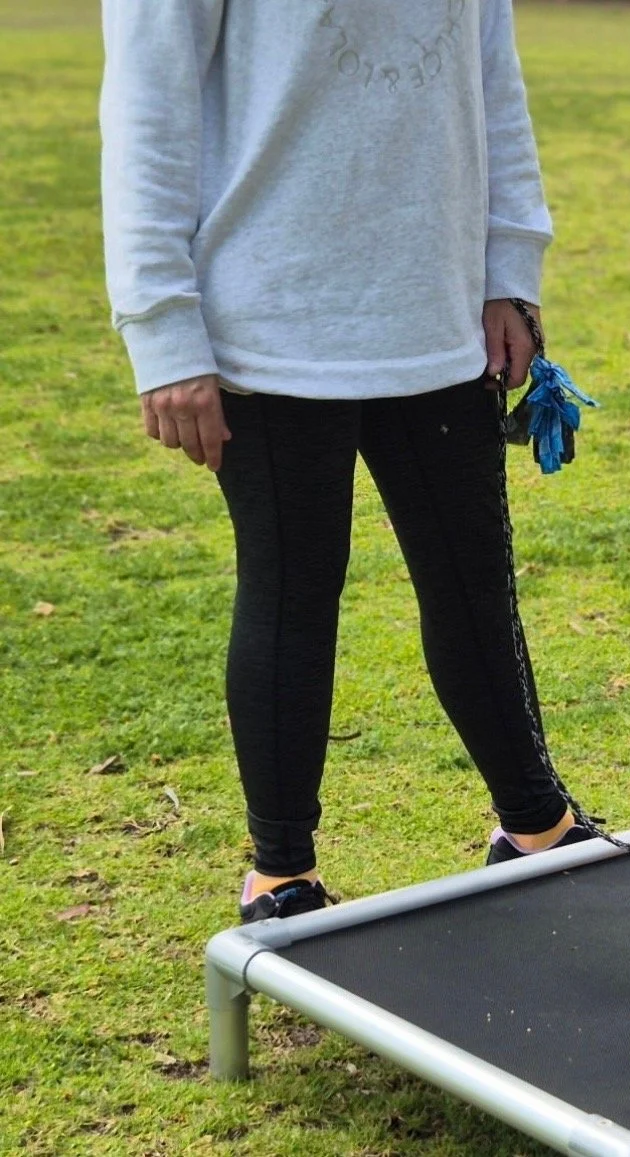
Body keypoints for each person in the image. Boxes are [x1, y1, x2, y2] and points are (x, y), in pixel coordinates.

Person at [99, 0, 591, 923]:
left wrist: (508, 273)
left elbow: (492, 81)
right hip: (269, 321)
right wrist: (164, 333)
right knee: (291, 594)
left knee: (473, 582)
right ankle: (281, 872)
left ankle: (533, 823)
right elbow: (145, 110)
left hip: (437, 313)